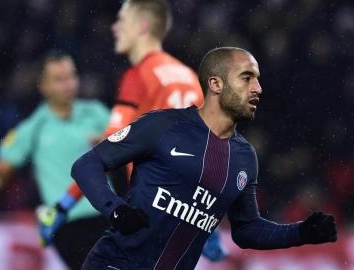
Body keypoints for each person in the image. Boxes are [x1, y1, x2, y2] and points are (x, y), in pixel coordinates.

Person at [71, 47, 338, 270]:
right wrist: (115, 209)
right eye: (246, 78)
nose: (257, 88)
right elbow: (87, 164)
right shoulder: (163, 126)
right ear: (215, 83)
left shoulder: (245, 158)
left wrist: (301, 232)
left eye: (257, 79)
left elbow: (246, 230)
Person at [39, 0, 226, 262]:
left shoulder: (138, 77)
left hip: (146, 212)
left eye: (122, 21)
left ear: (142, 27)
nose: (115, 28)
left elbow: (105, 154)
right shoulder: (187, 76)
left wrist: (62, 206)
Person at [0, 51, 110, 270]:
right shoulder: (32, 129)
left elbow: (132, 147)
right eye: (59, 79)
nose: (69, 84)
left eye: (72, 76)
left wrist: (112, 143)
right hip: (69, 225)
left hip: (108, 217)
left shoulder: (97, 114)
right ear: (43, 86)